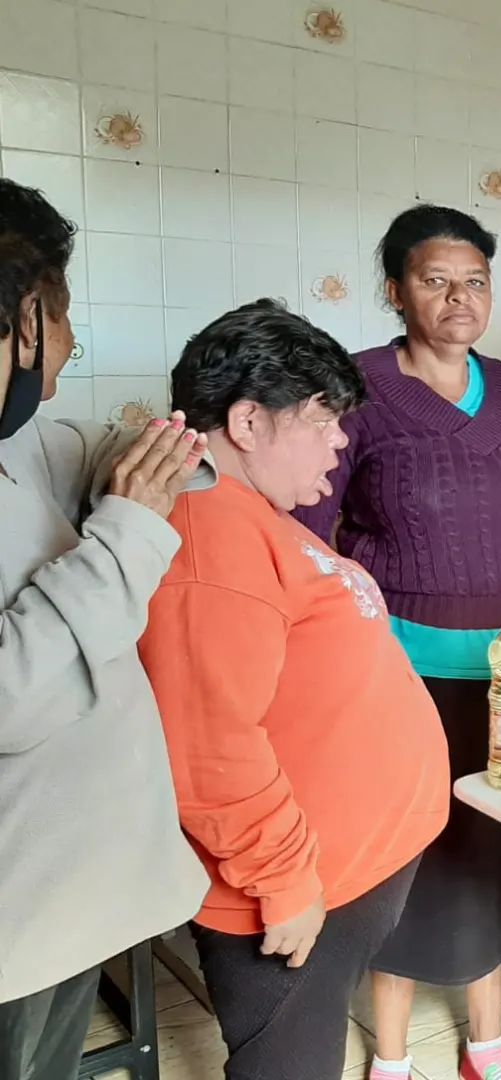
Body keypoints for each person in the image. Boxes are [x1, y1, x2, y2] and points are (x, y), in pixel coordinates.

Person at [137, 300, 451, 1080]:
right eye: (322, 419)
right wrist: (282, 881)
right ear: (247, 422)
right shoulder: (206, 538)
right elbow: (205, 747)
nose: (340, 440)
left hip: (343, 870)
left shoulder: (248, 509)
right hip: (289, 892)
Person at [291, 204, 501, 1080]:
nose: (458, 298)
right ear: (395, 291)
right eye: (435, 280)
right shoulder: (358, 387)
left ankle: (487, 1039)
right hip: (404, 670)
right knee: (409, 859)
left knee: (493, 855)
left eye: (474, 281)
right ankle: (392, 1055)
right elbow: (306, 529)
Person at [0, 179, 210, 1080]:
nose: (69, 343)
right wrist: (127, 529)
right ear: (25, 318)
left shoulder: (18, 437)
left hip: (69, 891)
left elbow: (78, 451)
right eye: (62, 317)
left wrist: (163, 453)